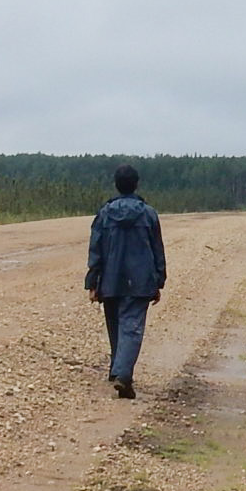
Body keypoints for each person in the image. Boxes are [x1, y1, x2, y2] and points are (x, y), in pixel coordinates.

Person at [85, 164, 166, 399]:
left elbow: (96, 249)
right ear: (136, 184)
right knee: (131, 328)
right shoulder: (148, 214)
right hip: (140, 281)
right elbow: (157, 249)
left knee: (115, 325)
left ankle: (117, 368)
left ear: (116, 185)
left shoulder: (105, 213)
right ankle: (123, 374)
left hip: (110, 279)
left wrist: (93, 281)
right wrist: (159, 280)